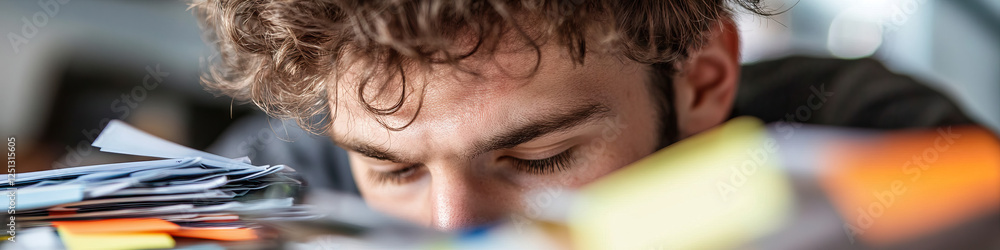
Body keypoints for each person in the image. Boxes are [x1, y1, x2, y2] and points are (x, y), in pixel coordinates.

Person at [193, 0, 977, 230]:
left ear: (703, 80)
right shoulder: (276, 188)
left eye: (539, 159)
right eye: (394, 169)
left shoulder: (886, 150)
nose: (450, 225)